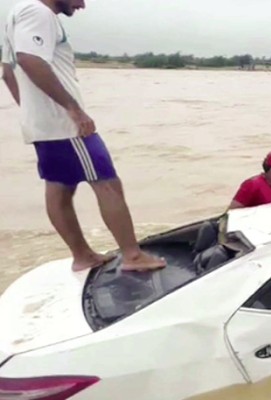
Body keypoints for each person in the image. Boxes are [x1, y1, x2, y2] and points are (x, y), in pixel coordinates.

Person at [1, 0, 165, 272]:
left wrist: (34, 114)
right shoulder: (38, 12)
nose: (82, 4)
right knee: (107, 183)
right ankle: (132, 256)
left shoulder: (17, 13)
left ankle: (82, 255)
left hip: (45, 125)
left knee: (59, 188)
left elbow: (8, 73)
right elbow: (29, 60)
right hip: (66, 125)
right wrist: (72, 110)